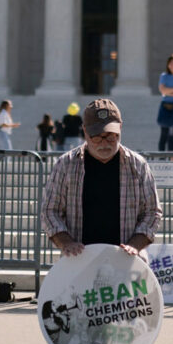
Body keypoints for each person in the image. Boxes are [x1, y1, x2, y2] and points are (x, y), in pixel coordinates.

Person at [41, 98, 162, 257]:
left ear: (121, 128)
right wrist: (66, 242)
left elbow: (152, 211)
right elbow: (50, 211)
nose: (104, 143)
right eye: (97, 137)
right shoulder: (65, 164)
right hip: (79, 261)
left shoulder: (138, 165)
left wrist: (135, 245)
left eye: (111, 136)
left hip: (125, 260)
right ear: (84, 131)